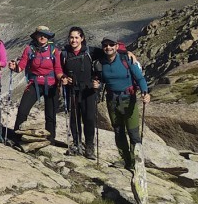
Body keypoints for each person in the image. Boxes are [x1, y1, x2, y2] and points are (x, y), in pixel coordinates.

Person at [94, 37, 151, 170]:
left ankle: (136, 160)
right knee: (118, 131)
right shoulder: (100, 63)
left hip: (128, 99)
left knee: (133, 132)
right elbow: (100, 78)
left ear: (117, 46)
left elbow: (140, 78)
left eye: (111, 45)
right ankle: (125, 160)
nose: (108, 47)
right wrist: (96, 84)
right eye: (105, 45)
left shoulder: (127, 60)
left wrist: (145, 92)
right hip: (112, 100)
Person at [9, 26, 64, 144]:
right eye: (40, 34)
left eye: (45, 35)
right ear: (36, 36)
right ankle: (16, 137)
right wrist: (15, 68)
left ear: (48, 37)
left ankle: (50, 140)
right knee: (23, 110)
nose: (42, 37)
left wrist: (62, 77)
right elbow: (22, 66)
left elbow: (58, 69)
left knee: (50, 115)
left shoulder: (55, 51)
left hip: (52, 85)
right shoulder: (29, 49)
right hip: (34, 84)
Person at [60, 26, 96, 158]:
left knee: (89, 118)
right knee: (74, 118)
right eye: (71, 37)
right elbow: (59, 70)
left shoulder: (90, 52)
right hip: (72, 90)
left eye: (76, 37)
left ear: (82, 38)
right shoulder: (64, 54)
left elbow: (109, 52)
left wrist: (127, 53)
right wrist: (63, 78)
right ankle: (76, 143)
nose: (73, 40)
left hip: (88, 90)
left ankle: (90, 146)